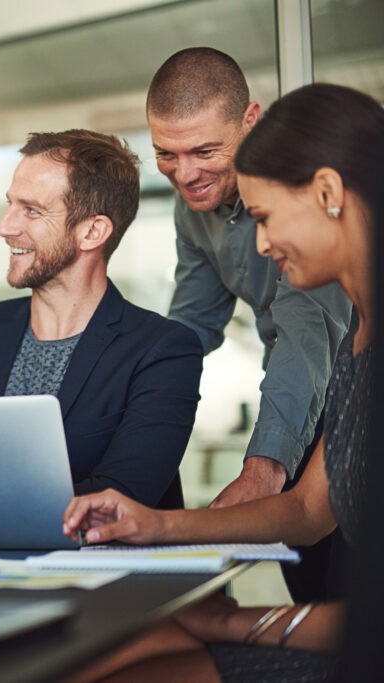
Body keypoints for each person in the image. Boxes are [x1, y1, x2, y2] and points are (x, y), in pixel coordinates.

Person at [62, 82, 383, 682]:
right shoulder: (361, 349)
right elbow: (309, 512)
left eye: (266, 219)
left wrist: (233, 622)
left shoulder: (341, 330)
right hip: (346, 632)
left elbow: (301, 335)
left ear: (328, 193)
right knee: (100, 654)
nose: (258, 246)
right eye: (167, 155)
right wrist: (152, 524)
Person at [148, 47, 352, 600]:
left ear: (250, 121)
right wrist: (132, 398)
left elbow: (305, 328)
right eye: (165, 153)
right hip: (299, 413)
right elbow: (190, 324)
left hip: (341, 395)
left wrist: (263, 466)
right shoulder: (193, 207)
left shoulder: (305, 183)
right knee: (313, 589)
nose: (184, 174)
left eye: (204, 150)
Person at [0, 129, 203, 507]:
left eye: (31, 209)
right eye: (10, 204)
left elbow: (121, 499)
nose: (5, 226)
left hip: (102, 565)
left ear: (92, 231)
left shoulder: (163, 350)